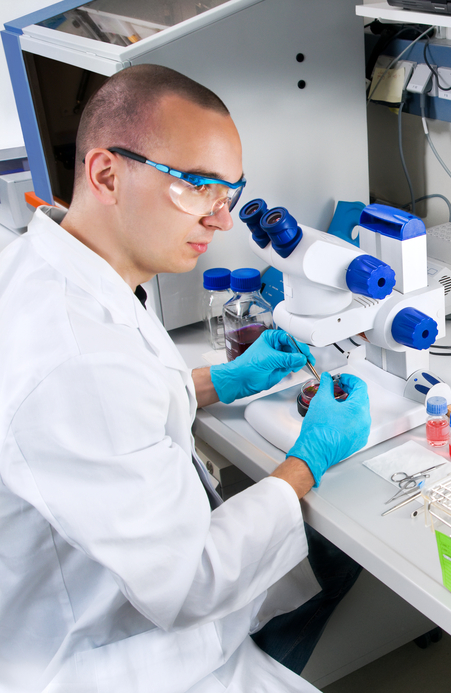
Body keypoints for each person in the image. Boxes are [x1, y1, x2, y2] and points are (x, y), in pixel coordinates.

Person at [0, 64, 371, 692]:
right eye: (196, 186)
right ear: (106, 174)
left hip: (87, 585)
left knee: (321, 557)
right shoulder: (79, 362)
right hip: (109, 658)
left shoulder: (43, 260)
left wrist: (215, 381)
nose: (222, 220)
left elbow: (119, 401)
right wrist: (310, 459)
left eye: (228, 192)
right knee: (329, 545)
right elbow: (192, 581)